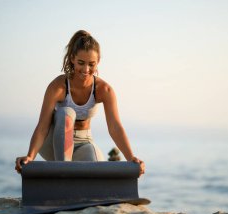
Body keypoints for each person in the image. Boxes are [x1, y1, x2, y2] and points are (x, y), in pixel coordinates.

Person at [15, 30, 145, 176]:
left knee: (95, 166)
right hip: (52, 142)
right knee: (66, 112)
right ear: (72, 58)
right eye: (81, 63)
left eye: (91, 64)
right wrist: (30, 157)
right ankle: (63, 175)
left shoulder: (105, 90)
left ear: (98, 62)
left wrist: (131, 158)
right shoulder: (58, 86)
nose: (86, 69)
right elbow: (43, 126)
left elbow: (115, 127)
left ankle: (72, 180)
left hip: (83, 142)